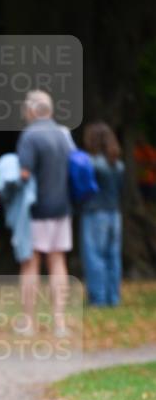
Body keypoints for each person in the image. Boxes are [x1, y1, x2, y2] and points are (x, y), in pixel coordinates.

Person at [16, 90, 74, 337]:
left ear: (30, 110)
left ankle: (29, 323)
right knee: (58, 262)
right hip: (62, 208)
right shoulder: (64, 134)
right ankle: (59, 323)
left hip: (36, 210)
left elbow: (24, 174)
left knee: (31, 264)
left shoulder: (30, 135)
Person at [79, 122, 124, 306]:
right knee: (113, 256)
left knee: (95, 256)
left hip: (95, 214)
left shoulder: (90, 163)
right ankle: (113, 297)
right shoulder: (119, 165)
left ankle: (98, 299)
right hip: (115, 215)